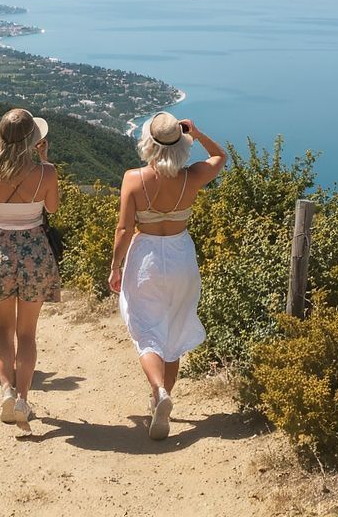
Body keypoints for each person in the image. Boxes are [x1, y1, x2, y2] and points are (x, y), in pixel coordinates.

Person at [109, 112, 226, 440]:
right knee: (173, 332)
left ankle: (158, 391)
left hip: (145, 256)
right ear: (180, 143)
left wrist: (115, 267)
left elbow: (123, 229)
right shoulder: (192, 177)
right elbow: (220, 157)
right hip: (180, 257)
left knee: (146, 331)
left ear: (148, 142)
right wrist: (198, 134)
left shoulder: (133, 179)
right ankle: (161, 397)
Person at [0, 109, 60, 424]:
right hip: (35, 252)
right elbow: (53, 208)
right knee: (27, 334)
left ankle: (6, 390)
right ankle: (23, 399)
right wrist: (44, 161)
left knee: (4, 330)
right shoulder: (47, 173)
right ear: (34, 139)